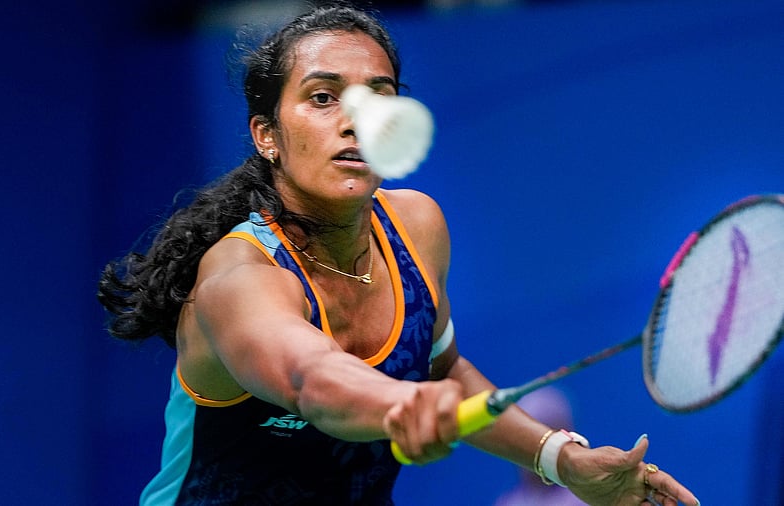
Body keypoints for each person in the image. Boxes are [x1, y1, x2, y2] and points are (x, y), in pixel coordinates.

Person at [97, 4, 700, 505]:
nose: (356, 119)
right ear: (267, 136)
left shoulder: (416, 226)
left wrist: (562, 460)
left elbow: (442, 370)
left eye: (378, 96)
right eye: (323, 97)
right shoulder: (238, 276)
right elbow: (312, 381)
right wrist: (402, 404)